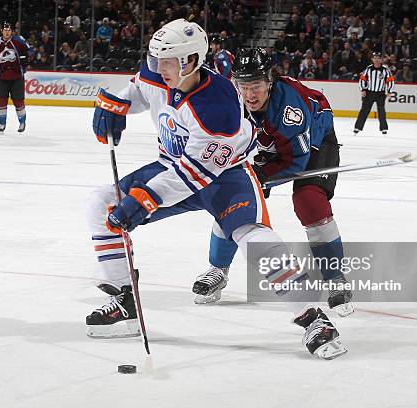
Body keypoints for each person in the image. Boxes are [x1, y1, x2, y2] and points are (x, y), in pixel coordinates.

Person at [85, 19, 346, 359]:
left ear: (190, 61)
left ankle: (313, 318)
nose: (157, 69)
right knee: (100, 203)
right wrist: (115, 104)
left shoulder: (218, 104)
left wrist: (145, 200)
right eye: (156, 60)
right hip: (172, 165)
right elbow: (138, 87)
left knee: (253, 238)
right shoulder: (158, 73)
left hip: (225, 177)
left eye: (166, 62)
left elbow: (195, 174)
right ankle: (124, 300)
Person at [192, 47, 354, 319]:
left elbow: (296, 161)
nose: (250, 94)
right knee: (233, 198)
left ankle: (335, 277)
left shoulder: (290, 109)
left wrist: (261, 177)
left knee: (309, 201)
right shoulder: (233, 100)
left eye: (256, 85)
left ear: (269, 80)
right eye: (243, 85)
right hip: (274, 143)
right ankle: (218, 269)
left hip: (312, 143)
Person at [353, 52, 395, 135]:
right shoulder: (368, 69)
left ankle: (383, 128)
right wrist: (363, 90)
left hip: (380, 93)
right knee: (364, 110)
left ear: (381, 60)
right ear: (372, 59)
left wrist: (389, 91)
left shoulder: (385, 70)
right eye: (375, 58)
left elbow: (390, 81)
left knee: (381, 111)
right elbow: (362, 79)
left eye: (378, 58)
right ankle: (358, 127)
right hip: (369, 93)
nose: (376, 60)